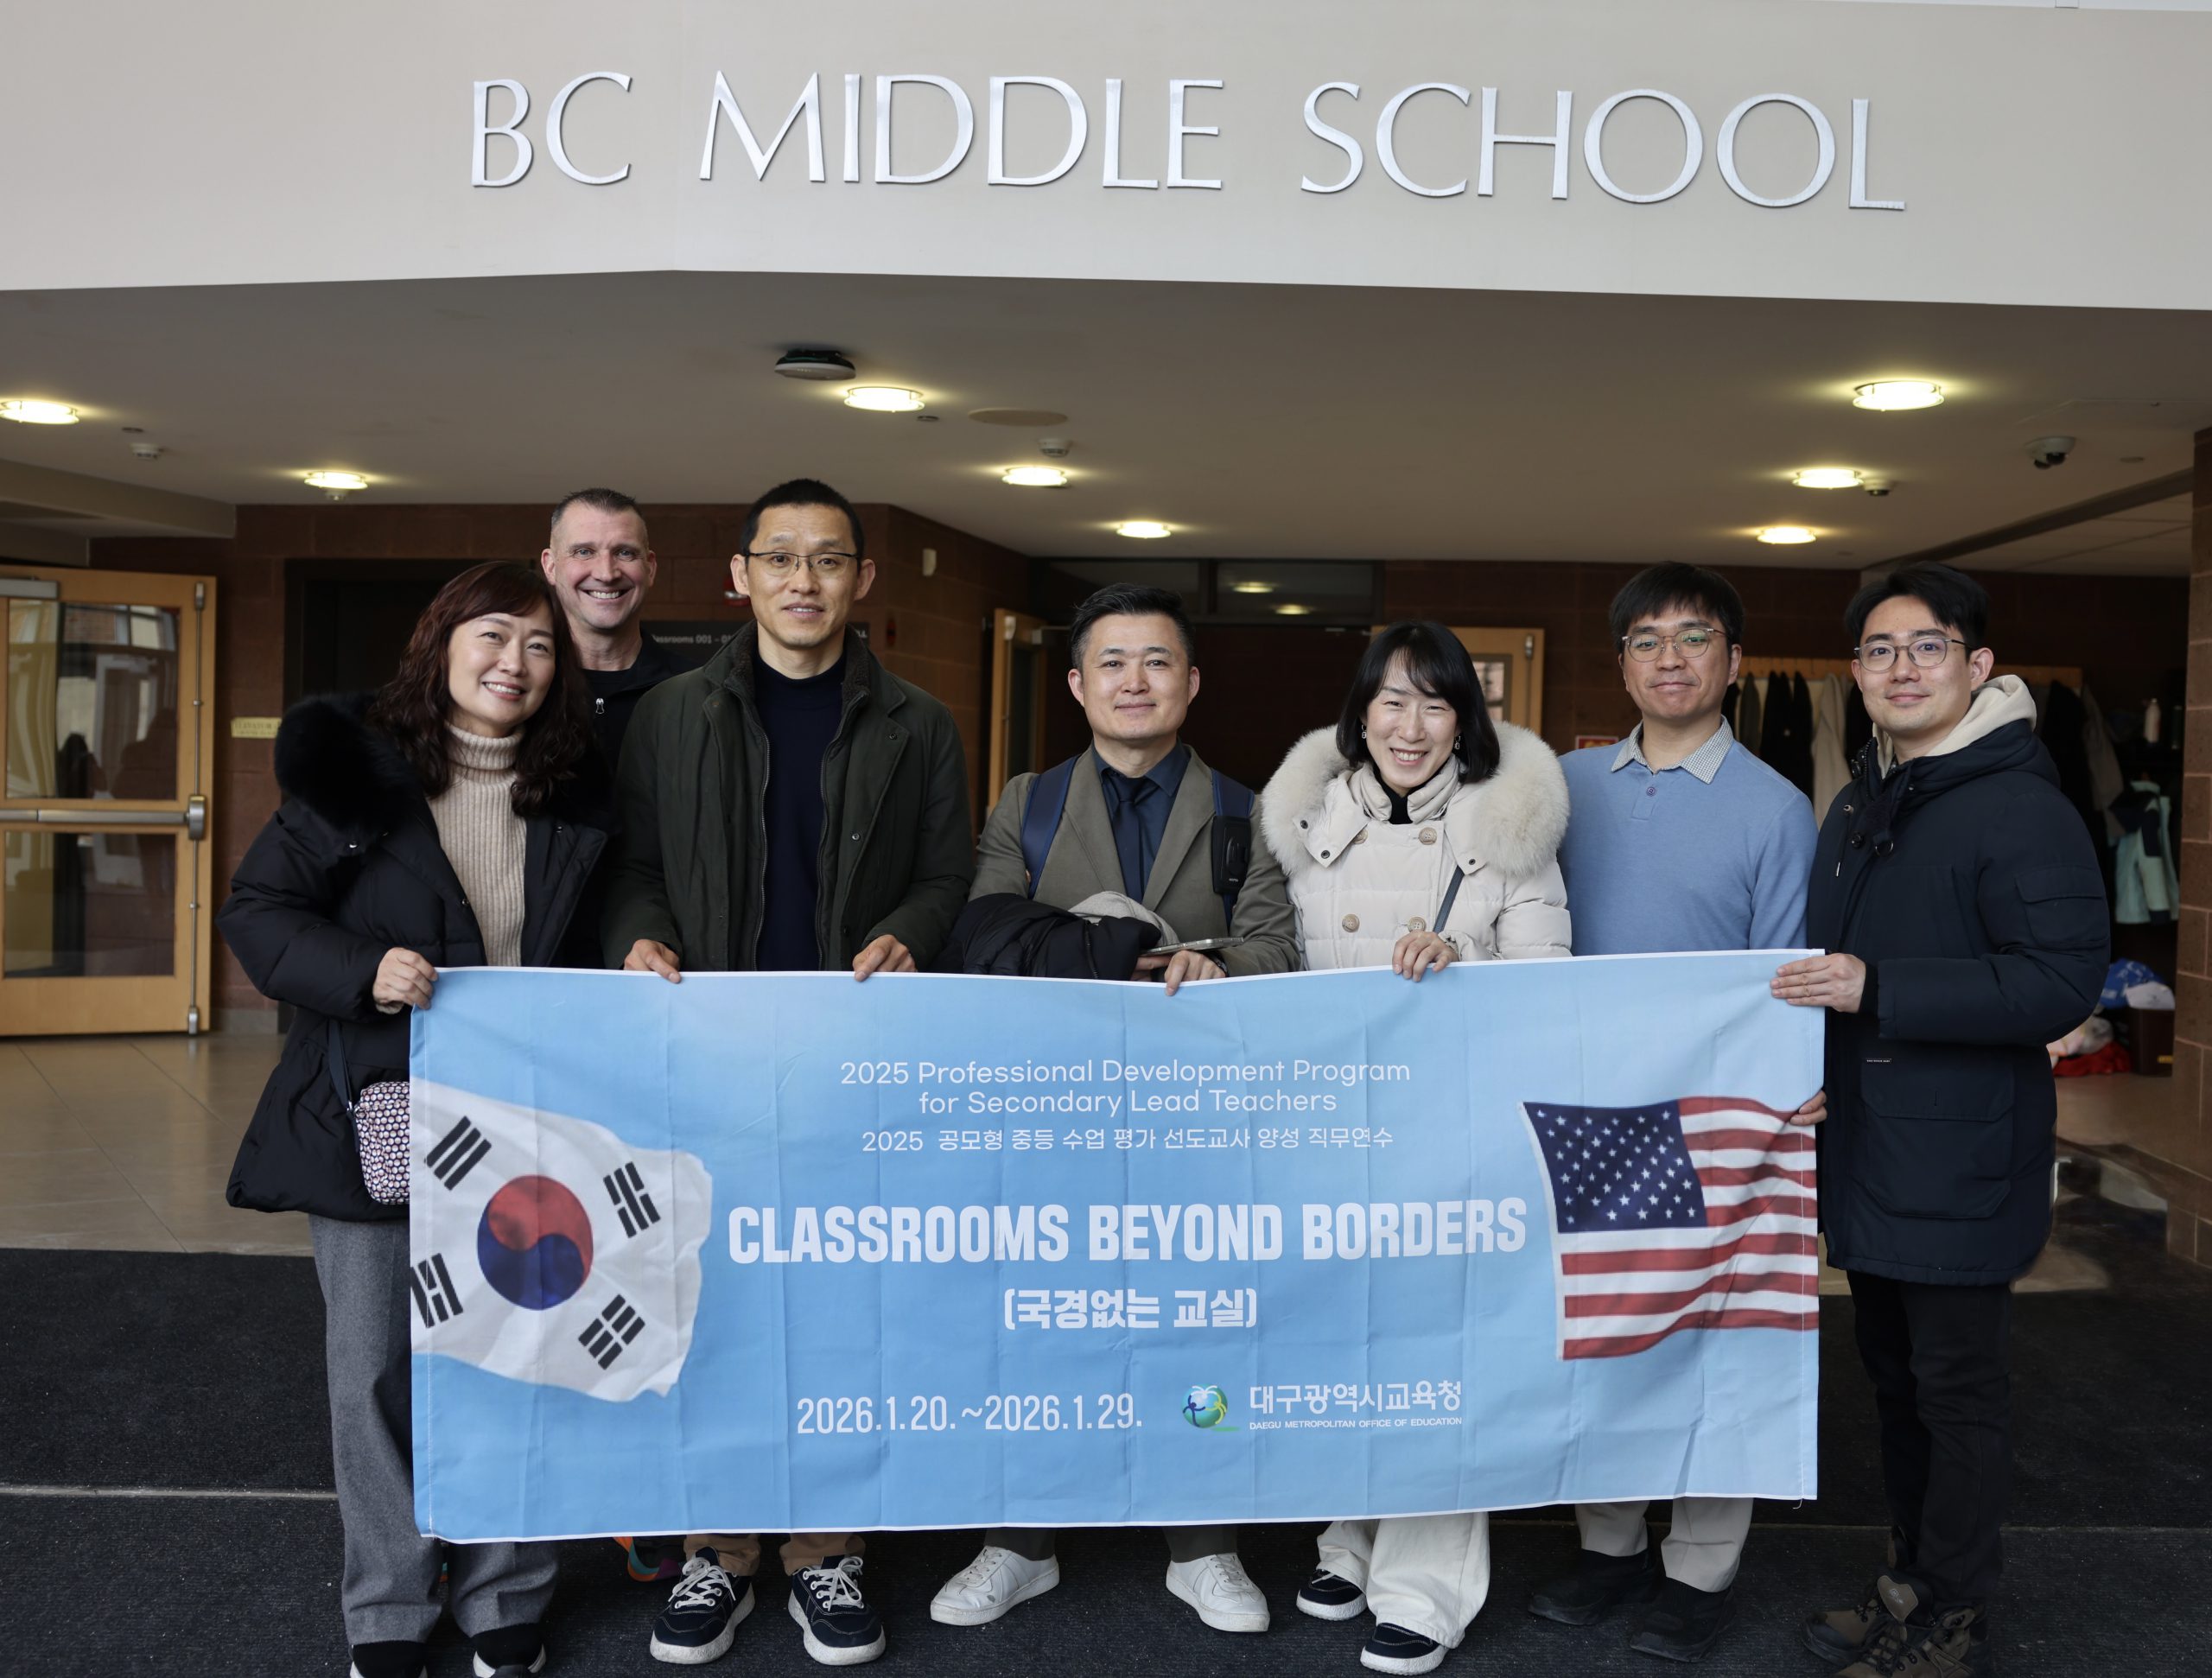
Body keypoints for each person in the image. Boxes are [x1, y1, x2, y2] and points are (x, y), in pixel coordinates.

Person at [602, 476, 974, 1668]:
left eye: (828, 561)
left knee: (839, 1307)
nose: (803, 581)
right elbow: (632, 864)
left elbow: (945, 874)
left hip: (852, 1065)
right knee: (707, 1297)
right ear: (740, 576)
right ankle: (720, 1550)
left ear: (862, 580)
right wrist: (638, 932)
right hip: (705, 1059)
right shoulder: (668, 715)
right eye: (781, 559)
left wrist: (913, 926)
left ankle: (829, 1553)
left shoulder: (920, 721)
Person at [219, 563, 609, 1678]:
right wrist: (360, 969)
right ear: (439, 646)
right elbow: (258, 909)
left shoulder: (579, 788)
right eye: (492, 637)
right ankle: (389, 1603)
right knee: (374, 1367)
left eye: (540, 647)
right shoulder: (356, 776)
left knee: (521, 1352)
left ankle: (507, 1590)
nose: (515, 665)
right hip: (370, 1113)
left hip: (533, 1120)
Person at [927, 583, 1297, 1636]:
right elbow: (988, 933)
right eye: (1114, 663)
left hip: (1199, 1116)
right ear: (1080, 683)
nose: (1135, 682)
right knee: (1041, 1322)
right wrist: (1117, 953)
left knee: (1203, 1319)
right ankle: (1022, 1537)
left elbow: (1278, 945)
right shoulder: (1025, 802)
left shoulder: (1249, 808)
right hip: (1056, 1110)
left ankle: (1204, 1540)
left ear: (1191, 681)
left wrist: (1208, 961)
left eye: (1158, 662)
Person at [1774, 563, 2106, 1678]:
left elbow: (2060, 981)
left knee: (1957, 1393)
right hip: (1867, 1146)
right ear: (1855, 674)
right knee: (1895, 1381)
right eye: (1877, 650)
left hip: (1959, 1158)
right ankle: (1909, 1578)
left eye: (1925, 647)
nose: (1899, 668)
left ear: (1978, 665)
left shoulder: (2021, 805)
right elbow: (1825, 974)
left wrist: (1882, 989)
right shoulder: (1862, 799)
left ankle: (1954, 1613)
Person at [1260, 620, 1571, 1676]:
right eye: (1391, 701)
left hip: (1453, 1140)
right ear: (1359, 714)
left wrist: (1465, 968)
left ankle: (1424, 1584)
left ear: (1463, 723)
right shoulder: (1297, 824)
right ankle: (1346, 1533)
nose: (1410, 724)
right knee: (1343, 1343)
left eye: (1434, 704)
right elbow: (1268, 971)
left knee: (1442, 1356)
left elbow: (1546, 995)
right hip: (1326, 1135)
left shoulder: (1511, 831)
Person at [1536, 563, 1821, 1662]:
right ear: (1620, 663)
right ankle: (1607, 1548)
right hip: (1585, 1108)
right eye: (1646, 640)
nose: (1669, 657)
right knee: (1603, 1335)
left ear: (1733, 662)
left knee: (1710, 1338)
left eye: (1693, 637)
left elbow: (1782, 980)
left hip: (1717, 1118)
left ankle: (1699, 1569)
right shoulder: (1561, 786)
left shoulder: (1774, 807)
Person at [540, 486, 685, 765]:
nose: (606, 574)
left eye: (625, 553)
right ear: (550, 566)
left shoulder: (696, 691)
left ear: (650, 568)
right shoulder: (523, 684)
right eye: (584, 552)